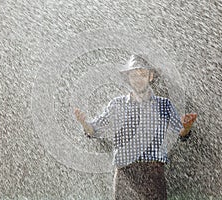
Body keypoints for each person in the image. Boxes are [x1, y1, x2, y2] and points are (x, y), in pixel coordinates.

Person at [74, 54, 197, 200]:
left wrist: (187, 126)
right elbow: (94, 130)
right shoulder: (117, 105)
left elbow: (181, 134)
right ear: (128, 78)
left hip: (154, 174)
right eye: (134, 75)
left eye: (143, 74)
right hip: (125, 175)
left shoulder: (164, 105)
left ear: (150, 77)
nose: (138, 79)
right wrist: (85, 124)